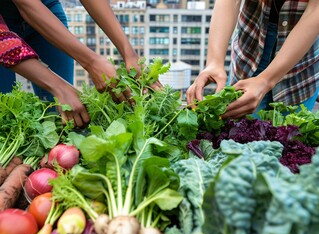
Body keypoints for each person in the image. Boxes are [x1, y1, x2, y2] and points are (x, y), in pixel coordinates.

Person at [0, 0, 162, 124]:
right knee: (6, 113)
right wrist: (91, 63)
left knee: (67, 112)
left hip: (45, 6)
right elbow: (26, 5)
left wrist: (129, 54)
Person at [186, 0, 319, 119]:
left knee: (291, 136)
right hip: (251, 44)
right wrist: (214, 62)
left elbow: (315, 10)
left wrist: (265, 80)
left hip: (300, 57)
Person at [0, 15, 90, 127]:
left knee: (70, 111)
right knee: (5, 117)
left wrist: (92, 61)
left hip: (42, 6)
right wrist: (59, 88)